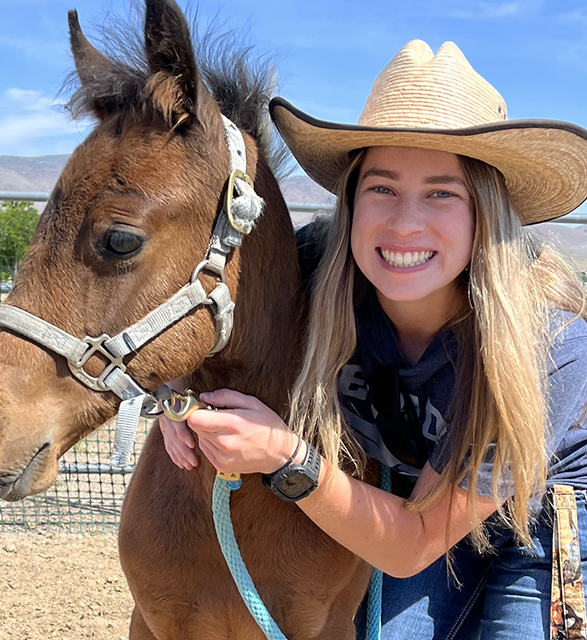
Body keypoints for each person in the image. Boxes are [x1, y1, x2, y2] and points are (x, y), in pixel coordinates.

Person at [159, 40, 587, 639]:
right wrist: (182, 389)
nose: (404, 222)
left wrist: (288, 457)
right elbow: (211, 305)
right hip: (412, 495)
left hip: (541, 513)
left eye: (442, 192)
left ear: (484, 211)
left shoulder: (549, 344)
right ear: (352, 200)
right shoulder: (313, 266)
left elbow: (411, 547)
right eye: (382, 187)